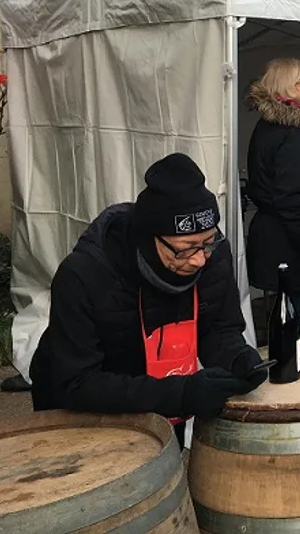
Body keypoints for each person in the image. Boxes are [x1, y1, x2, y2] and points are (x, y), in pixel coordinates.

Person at [30, 154, 265, 444]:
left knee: (163, 465)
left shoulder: (212, 256)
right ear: (149, 239)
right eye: (185, 248)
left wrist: (237, 358)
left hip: (162, 403)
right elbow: (76, 383)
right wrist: (181, 394)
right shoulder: (84, 274)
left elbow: (218, 328)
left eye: (207, 243)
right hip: (80, 415)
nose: (199, 260)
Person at [245, 58, 300, 337]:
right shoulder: (294, 135)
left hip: (275, 241)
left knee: (284, 326)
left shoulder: (268, 126)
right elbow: (293, 202)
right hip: (291, 248)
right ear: (294, 87)